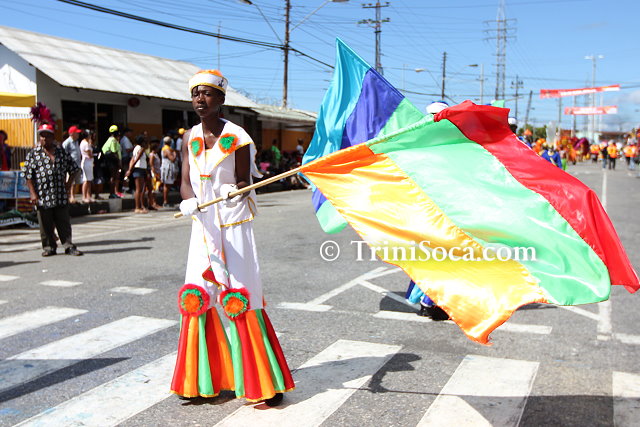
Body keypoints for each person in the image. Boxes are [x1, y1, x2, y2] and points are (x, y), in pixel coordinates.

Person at [172, 69, 294, 405]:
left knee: (241, 295)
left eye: (207, 93)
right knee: (197, 295)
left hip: (233, 222)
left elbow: (244, 181)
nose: (200, 99)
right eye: (195, 93)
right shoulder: (189, 136)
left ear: (221, 99)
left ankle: (264, 382)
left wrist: (234, 190)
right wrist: (187, 200)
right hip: (203, 225)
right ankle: (205, 380)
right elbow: (185, 180)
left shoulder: (238, 136)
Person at [22, 123, 83, 257]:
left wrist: (68, 184)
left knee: (63, 222)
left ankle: (68, 246)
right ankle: (49, 247)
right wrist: (33, 193)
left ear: (52, 137)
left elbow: (74, 168)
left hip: (60, 193)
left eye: (47, 136)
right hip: (42, 194)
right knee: (45, 223)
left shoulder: (61, 152)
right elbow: (28, 175)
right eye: (42, 136)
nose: (44, 139)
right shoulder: (34, 154)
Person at [124, 136, 148, 214]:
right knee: (139, 189)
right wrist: (130, 170)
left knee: (140, 189)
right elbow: (136, 159)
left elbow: (132, 159)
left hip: (140, 168)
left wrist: (130, 169)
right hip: (139, 169)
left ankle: (140, 206)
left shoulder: (136, 148)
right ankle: (137, 207)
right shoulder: (141, 149)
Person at [62, 125, 83, 203]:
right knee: (71, 182)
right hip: (70, 166)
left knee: (76, 182)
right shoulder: (67, 143)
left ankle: (73, 196)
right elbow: (64, 153)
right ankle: (70, 197)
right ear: (72, 133)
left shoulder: (76, 142)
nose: (78, 134)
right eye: (76, 133)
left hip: (77, 165)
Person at [102, 125, 123, 199]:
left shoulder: (111, 140)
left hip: (112, 161)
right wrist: (119, 162)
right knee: (113, 177)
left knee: (114, 177)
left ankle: (113, 193)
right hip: (113, 162)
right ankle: (112, 193)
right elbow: (114, 152)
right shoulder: (113, 140)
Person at [160, 136, 177, 207]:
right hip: (167, 169)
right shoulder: (167, 149)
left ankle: (166, 200)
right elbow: (172, 159)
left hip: (167, 168)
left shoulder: (166, 148)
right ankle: (165, 201)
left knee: (167, 185)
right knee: (167, 185)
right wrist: (175, 154)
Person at [79, 130, 95, 203]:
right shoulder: (85, 143)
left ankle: (88, 196)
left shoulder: (84, 142)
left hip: (88, 162)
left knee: (89, 180)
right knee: (86, 180)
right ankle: (84, 196)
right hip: (87, 162)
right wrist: (94, 155)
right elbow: (89, 154)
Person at [120, 127, 135, 192]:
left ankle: (126, 186)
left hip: (125, 157)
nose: (131, 134)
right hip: (126, 158)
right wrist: (134, 148)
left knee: (126, 172)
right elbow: (127, 150)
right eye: (130, 132)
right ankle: (126, 187)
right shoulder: (125, 140)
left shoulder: (124, 139)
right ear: (126, 132)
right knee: (127, 172)